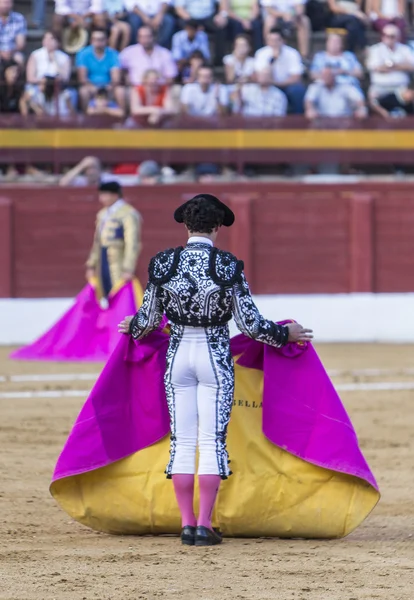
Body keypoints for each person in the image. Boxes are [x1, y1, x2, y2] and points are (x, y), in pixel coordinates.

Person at [117, 194, 313, 546]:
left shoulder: (163, 264)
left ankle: (187, 524)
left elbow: (146, 321)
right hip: (214, 358)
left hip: (177, 358)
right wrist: (286, 334)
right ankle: (204, 525)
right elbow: (251, 326)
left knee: (182, 441)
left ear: (186, 225)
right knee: (210, 442)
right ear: (218, 227)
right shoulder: (227, 267)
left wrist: (131, 327)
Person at [11, 181, 143, 362]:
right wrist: (91, 264)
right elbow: (97, 243)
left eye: (105, 194)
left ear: (114, 195)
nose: (101, 198)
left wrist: (128, 268)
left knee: (119, 301)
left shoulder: (129, 214)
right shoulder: (103, 214)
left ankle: (120, 341)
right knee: (103, 301)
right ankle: (107, 341)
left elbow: (132, 243)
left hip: (118, 265)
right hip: (103, 262)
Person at [254, 27, 306, 114]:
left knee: (297, 90)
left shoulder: (292, 53)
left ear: (282, 41)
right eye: (270, 40)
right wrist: (272, 61)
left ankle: (298, 119)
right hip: (267, 86)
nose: (273, 43)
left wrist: (276, 83)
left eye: (276, 40)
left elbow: (296, 78)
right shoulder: (261, 53)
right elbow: (261, 77)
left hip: (286, 86)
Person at [76, 27, 123, 111]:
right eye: (96, 39)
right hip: (90, 87)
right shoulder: (83, 53)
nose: (98, 42)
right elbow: (82, 78)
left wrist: (108, 87)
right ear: (91, 40)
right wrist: (93, 88)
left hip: (109, 87)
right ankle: (85, 118)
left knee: (120, 91)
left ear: (106, 40)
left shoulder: (113, 54)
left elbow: (116, 78)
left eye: (101, 39)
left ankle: (122, 117)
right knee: (83, 91)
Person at [366, 23, 414, 99]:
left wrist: (389, 66)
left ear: (398, 37)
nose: (387, 38)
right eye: (385, 35)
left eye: (391, 36)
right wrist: (400, 66)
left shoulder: (405, 49)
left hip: (401, 87)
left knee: (410, 95)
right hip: (380, 86)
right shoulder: (375, 49)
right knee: (372, 97)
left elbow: (412, 66)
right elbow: (375, 67)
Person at [174, 0, 229, 65]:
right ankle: (182, 60)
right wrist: (194, 23)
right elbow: (179, 9)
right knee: (181, 24)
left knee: (221, 24)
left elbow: (223, 1)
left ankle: (218, 61)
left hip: (209, 17)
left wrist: (222, 15)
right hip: (189, 17)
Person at [0, 0, 26, 65]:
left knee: (19, 58)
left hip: (13, 51)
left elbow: (20, 43)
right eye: (3, 3)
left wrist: (10, 52)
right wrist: (1, 52)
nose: (5, 6)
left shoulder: (19, 18)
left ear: (12, 3)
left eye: (8, 3)